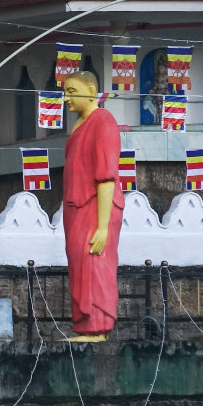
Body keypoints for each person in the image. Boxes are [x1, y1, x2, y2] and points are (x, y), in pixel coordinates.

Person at [59, 70, 123, 341]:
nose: (66, 99)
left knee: (95, 263)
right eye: (65, 92)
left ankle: (98, 328)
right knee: (79, 265)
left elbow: (106, 176)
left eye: (72, 92)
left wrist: (102, 226)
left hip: (97, 206)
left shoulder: (103, 121)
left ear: (92, 90)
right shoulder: (79, 125)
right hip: (76, 207)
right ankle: (85, 325)